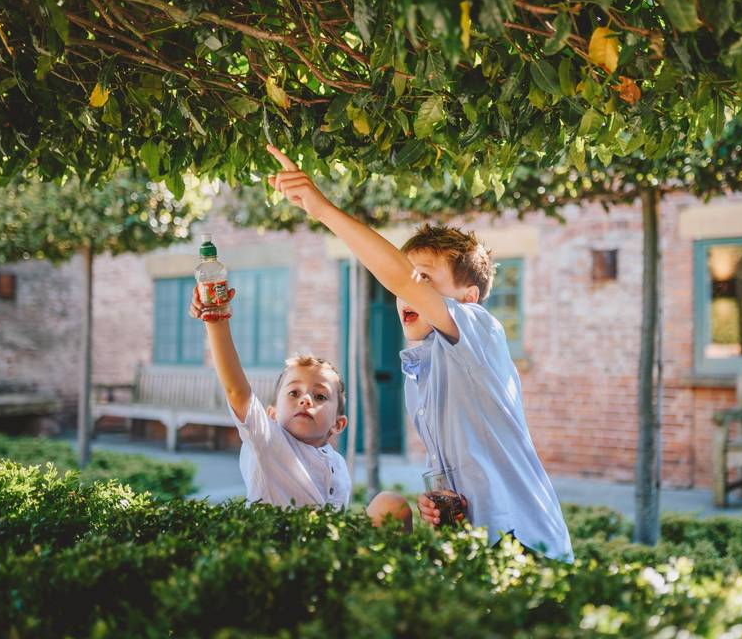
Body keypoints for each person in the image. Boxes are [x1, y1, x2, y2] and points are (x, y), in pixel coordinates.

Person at [266, 145, 572, 560]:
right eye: (412, 280)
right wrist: (445, 504)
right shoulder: (422, 370)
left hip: (528, 545)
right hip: (476, 551)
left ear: (468, 298)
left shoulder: (480, 328)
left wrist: (321, 209)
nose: (404, 291)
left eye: (426, 280)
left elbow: (401, 279)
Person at [190, 288, 412, 531]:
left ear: (338, 425)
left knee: (392, 504)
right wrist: (216, 322)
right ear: (272, 415)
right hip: (280, 558)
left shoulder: (336, 463)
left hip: (327, 553)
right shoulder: (268, 442)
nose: (306, 399)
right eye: (294, 393)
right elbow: (237, 391)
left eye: (320, 396)